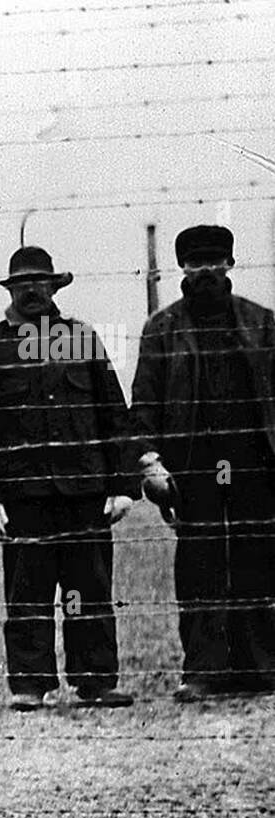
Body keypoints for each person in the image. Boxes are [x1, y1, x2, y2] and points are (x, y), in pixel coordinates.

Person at [0, 246, 138, 711]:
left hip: (85, 493)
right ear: (12, 290)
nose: (34, 291)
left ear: (55, 287)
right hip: (23, 499)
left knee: (90, 590)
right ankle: (30, 685)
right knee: (27, 594)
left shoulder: (82, 338)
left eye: (42, 283)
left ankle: (96, 680)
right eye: (24, 285)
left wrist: (122, 485)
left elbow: (113, 416)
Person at [131, 225, 275, 701]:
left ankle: (263, 665)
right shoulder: (162, 328)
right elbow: (145, 403)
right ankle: (203, 669)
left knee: (258, 558)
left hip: (255, 461)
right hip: (192, 463)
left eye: (215, 260)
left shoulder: (262, 323)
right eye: (196, 262)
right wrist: (150, 461)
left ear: (231, 264)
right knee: (200, 564)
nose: (206, 270)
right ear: (183, 268)